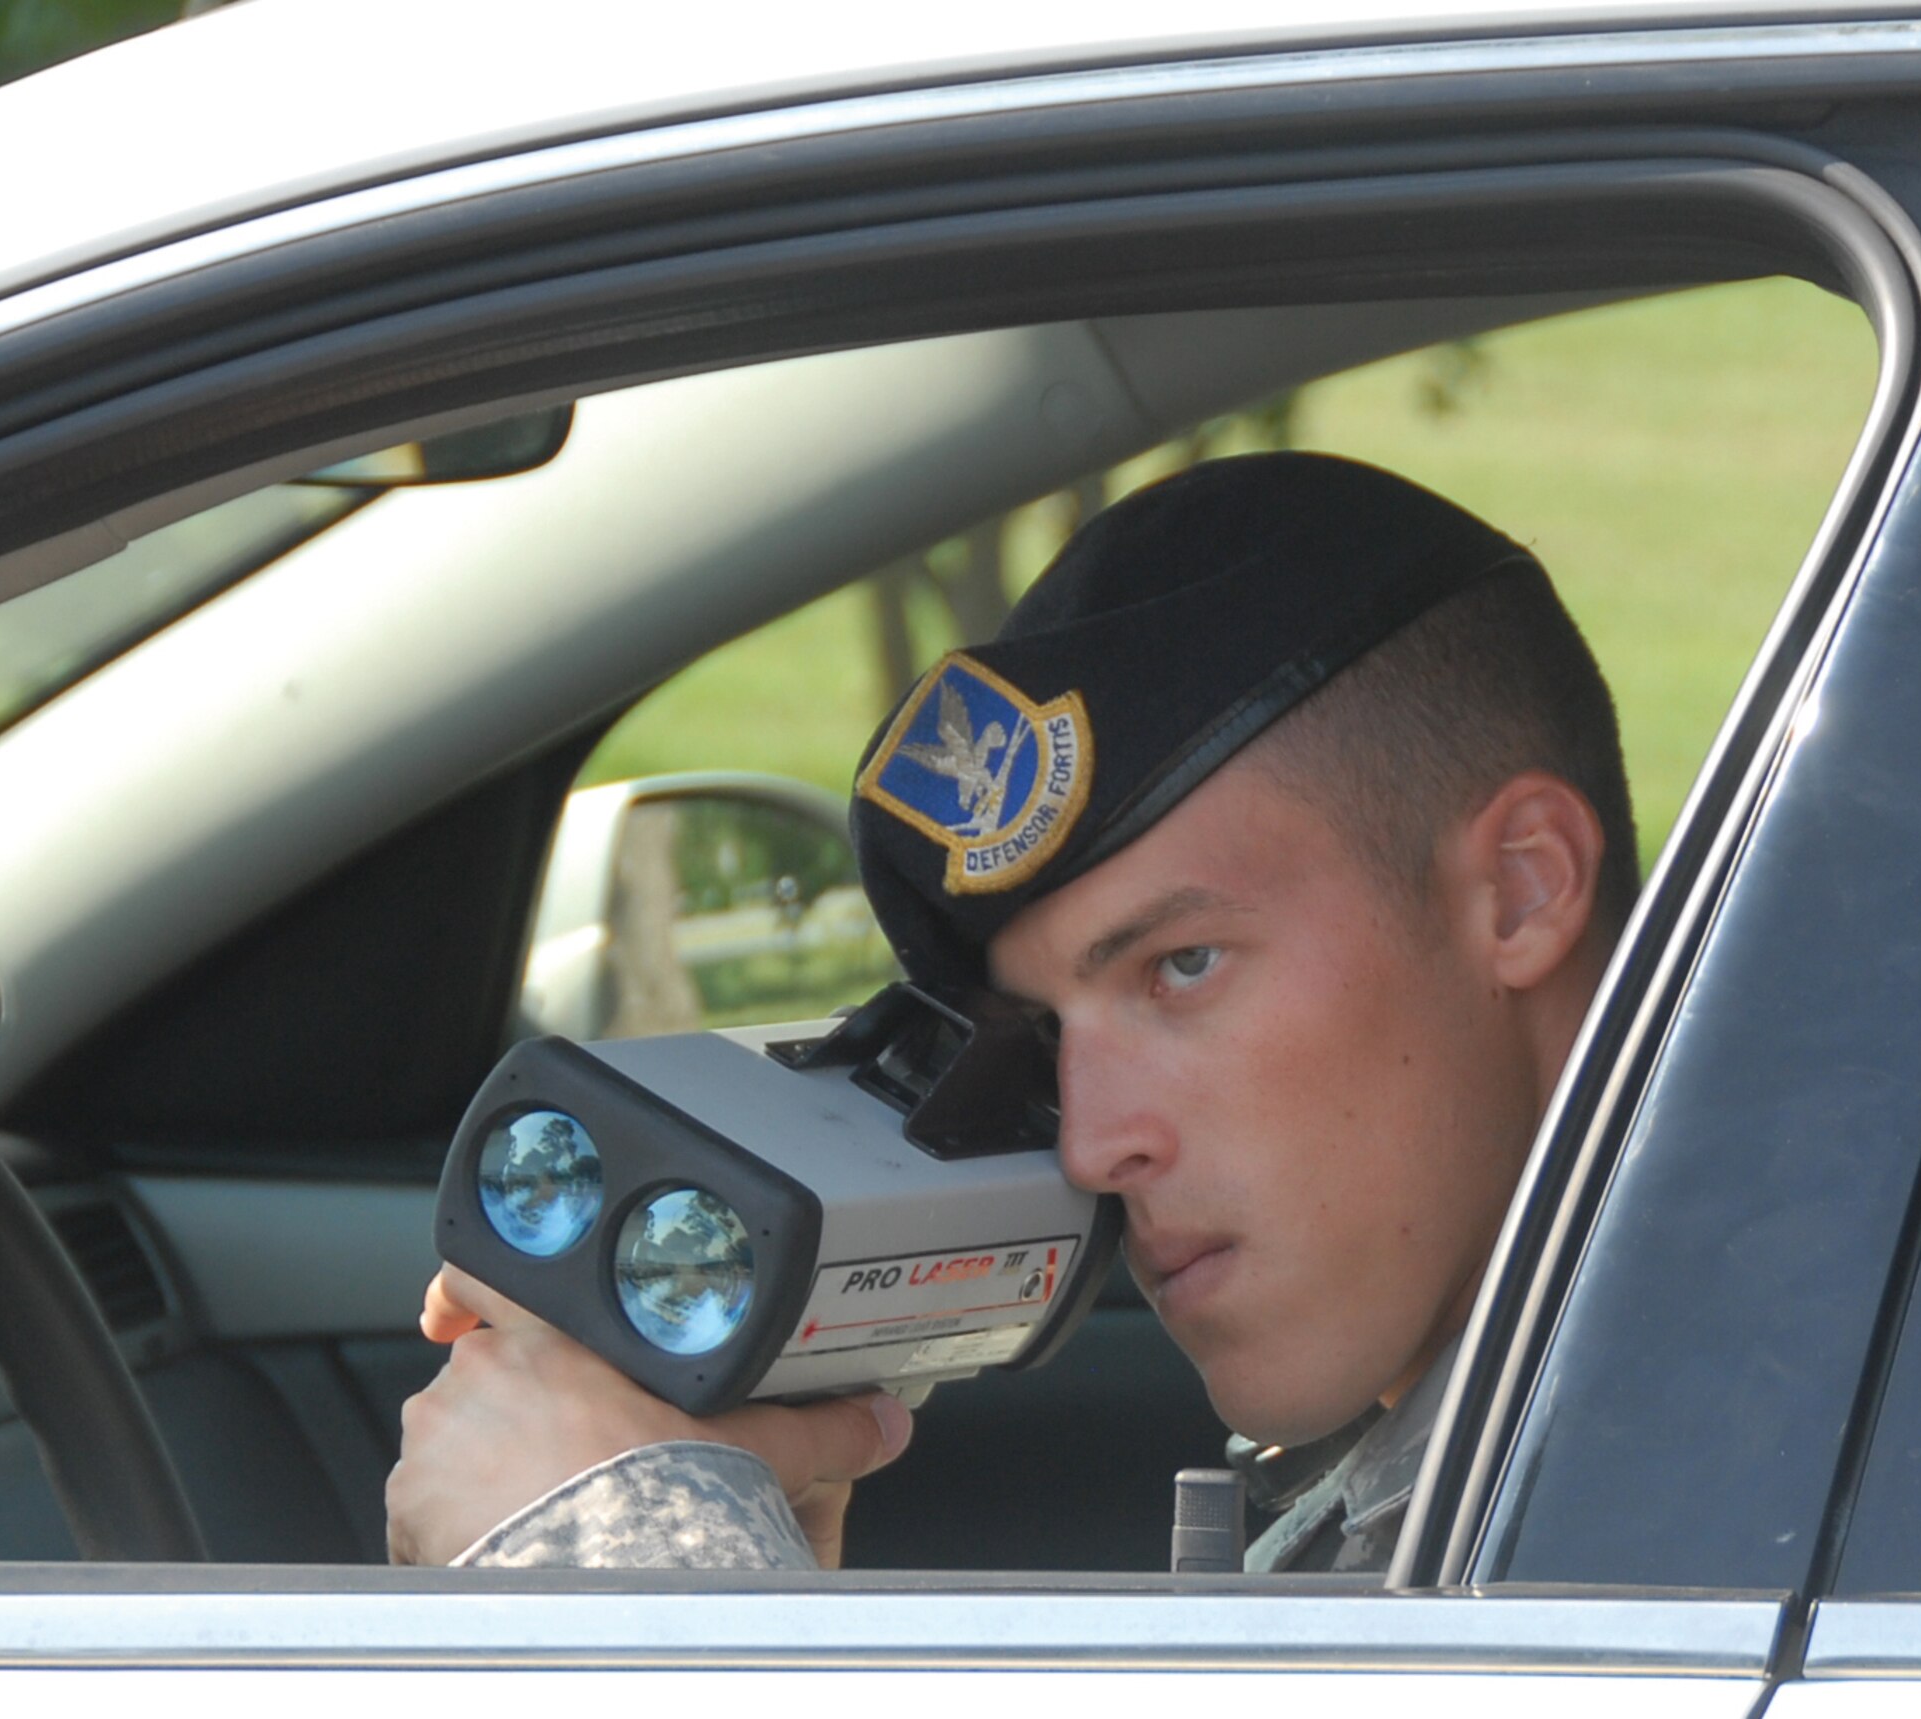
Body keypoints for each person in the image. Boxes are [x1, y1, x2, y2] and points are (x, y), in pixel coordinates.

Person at [387, 451, 1637, 1574]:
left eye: (1181, 966)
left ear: (1520, 889)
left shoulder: (1735, 1456)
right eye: (1040, 1035)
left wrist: (622, 1561)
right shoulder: (1560, 1454)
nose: (1093, 1146)